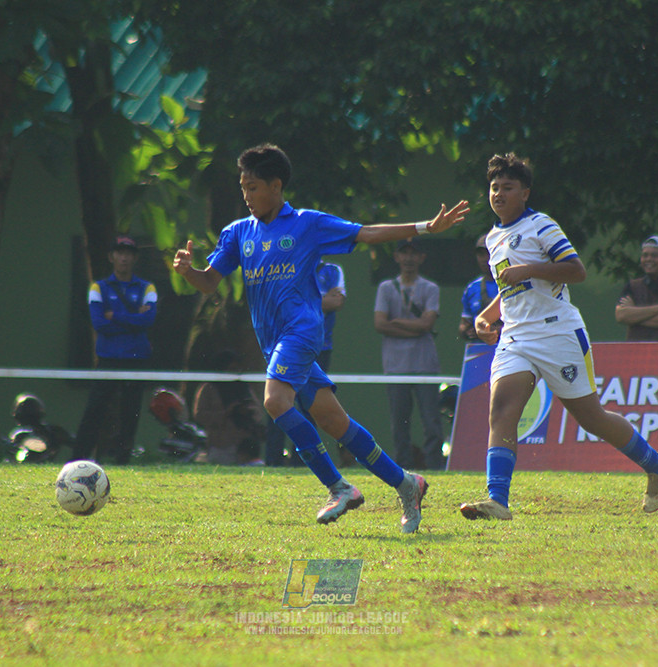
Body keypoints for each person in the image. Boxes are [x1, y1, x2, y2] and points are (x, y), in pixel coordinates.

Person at [173, 143, 469, 533]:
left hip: (302, 332)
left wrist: (424, 227)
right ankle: (406, 483)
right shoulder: (237, 233)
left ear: (276, 185)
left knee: (275, 401)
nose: (246, 196)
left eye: (253, 187)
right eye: (242, 187)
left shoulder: (307, 224)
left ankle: (338, 486)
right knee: (334, 422)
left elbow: (365, 233)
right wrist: (188, 271)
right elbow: (210, 282)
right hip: (274, 343)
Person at [459, 152, 658, 522]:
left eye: (507, 187)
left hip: (557, 331)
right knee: (502, 411)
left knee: (591, 418)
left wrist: (531, 267)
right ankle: (497, 501)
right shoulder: (493, 236)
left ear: (525, 193)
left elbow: (576, 270)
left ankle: (656, 464)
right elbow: (511, 287)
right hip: (515, 337)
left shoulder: (542, 226)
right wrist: (486, 314)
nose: (498, 194)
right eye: (494, 188)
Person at [72, 235, 157, 464]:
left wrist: (116, 316)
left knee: (130, 414)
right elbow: (99, 324)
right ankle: (77, 460)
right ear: (112, 257)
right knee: (94, 411)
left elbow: (148, 320)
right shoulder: (98, 287)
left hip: (136, 360)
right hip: (108, 360)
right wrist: (133, 319)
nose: (124, 258)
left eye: (128, 254)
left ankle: (122, 461)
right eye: (119, 253)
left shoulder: (146, 287)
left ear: (135, 258)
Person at [264, 260, 346, 466]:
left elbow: (336, 302)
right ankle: (273, 460)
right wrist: (321, 300)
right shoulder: (285, 267)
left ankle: (302, 461)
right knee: (278, 401)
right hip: (286, 347)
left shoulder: (332, 270)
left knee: (312, 405)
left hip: (319, 349)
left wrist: (302, 302)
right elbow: (280, 304)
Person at [374, 238, 445, 470]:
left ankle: (435, 467)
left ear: (422, 258)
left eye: (414, 254)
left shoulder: (431, 288)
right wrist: (413, 327)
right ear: (396, 257)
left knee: (432, 422)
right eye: (404, 253)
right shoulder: (386, 288)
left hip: (425, 364)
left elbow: (427, 324)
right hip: (395, 366)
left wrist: (396, 323)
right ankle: (402, 470)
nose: (409, 258)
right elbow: (379, 324)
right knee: (399, 424)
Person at [193, 349, 266, 465]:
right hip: (220, 444)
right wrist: (227, 412)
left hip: (245, 446)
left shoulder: (244, 387)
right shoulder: (208, 388)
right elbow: (200, 415)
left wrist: (247, 411)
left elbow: (258, 411)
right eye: (231, 368)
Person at [459, 233, 499, 342]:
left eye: (489, 253)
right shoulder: (472, 287)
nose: (485, 259)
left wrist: (496, 330)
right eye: (481, 254)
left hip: (507, 347)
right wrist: (467, 331)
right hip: (477, 351)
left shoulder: (511, 283)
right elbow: (465, 322)